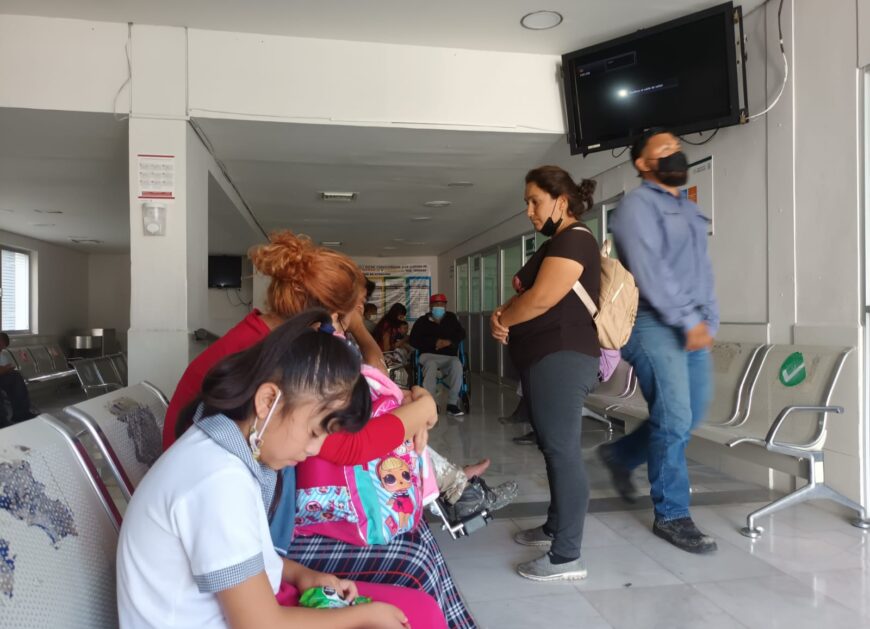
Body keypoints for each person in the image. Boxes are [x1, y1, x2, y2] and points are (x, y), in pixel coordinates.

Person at [117, 310, 447, 629]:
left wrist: (302, 575)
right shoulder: (217, 481)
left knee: (419, 610)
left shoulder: (225, 449)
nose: (314, 449)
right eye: (314, 431)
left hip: (249, 608)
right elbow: (259, 624)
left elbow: (244, 557)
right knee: (409, 618)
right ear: (267, 401)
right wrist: (363, 617)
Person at [597, 129, 719, 555]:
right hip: (651, 323)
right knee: (674, 417)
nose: (675, 153)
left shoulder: (688, 209)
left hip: (692, 323)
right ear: (643, 163)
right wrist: (688, 321)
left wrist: (707, 320)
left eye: (677, 146)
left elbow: (701, 270)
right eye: (664, 149)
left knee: (690, 412)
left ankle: (622, 455)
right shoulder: (636, 208)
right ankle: (672, 514)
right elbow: (651, 272)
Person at [490, 165, 600, 582]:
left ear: (561, 201)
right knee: (553, 448)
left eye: (535, 202)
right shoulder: (557, 243)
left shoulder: (575, 239)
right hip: (545, 357)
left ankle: (566, 555)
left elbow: (541, 299)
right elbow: (528, 296)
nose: (529, 211)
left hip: (563, 356)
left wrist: (504, 320)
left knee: (562, 451)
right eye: (527, 203)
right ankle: (555, 527)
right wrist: (502, 314)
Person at [410, 295, 467, 417]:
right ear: (431, 306)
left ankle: (452, 404)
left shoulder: (451, 318)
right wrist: (434, 342)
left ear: (445, 306)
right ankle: (431, 403)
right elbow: (413, 340)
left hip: (449, 356)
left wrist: (449, 342)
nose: (439, 307)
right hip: (428, 355)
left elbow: (461, 333)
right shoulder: (422, 321)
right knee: (430, 365)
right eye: (437, 304)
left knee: (457, 365)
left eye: (442, 304)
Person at [0, 333, 36, 425]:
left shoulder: (2, 355)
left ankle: (21, 414)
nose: (2, 348)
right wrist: (4, 369)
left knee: (16, 377)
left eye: (3, 346)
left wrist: (6, 369)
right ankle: (2, 421)